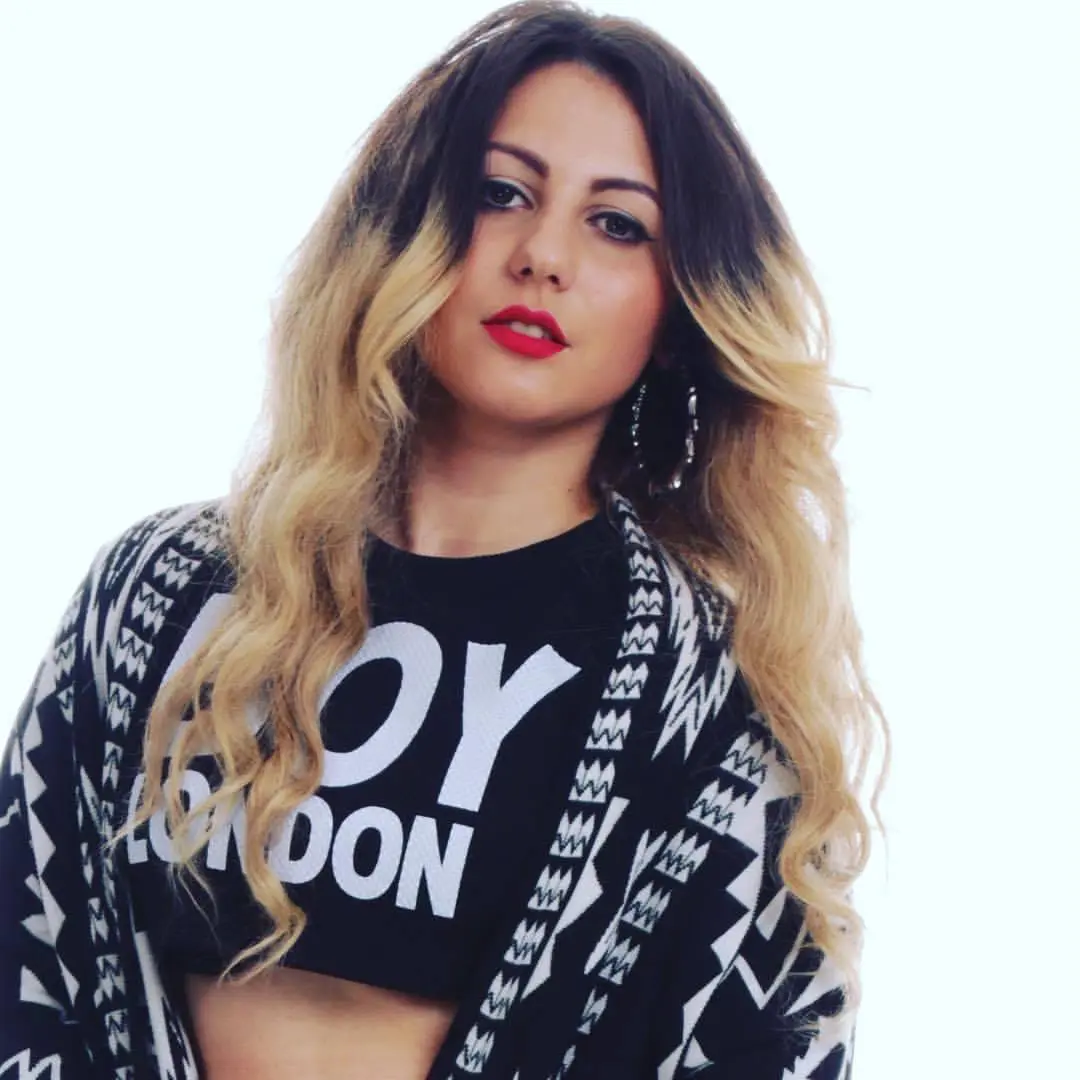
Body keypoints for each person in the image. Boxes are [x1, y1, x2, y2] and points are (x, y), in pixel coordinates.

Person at [0, 2, 888, 1077]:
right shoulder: (162, 594)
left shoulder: (703, 702)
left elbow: (769, 1049)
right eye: (501, 193)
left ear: (680, 305)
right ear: (409, 227)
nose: (543, 256)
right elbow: (23, 965)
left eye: (618, 224)